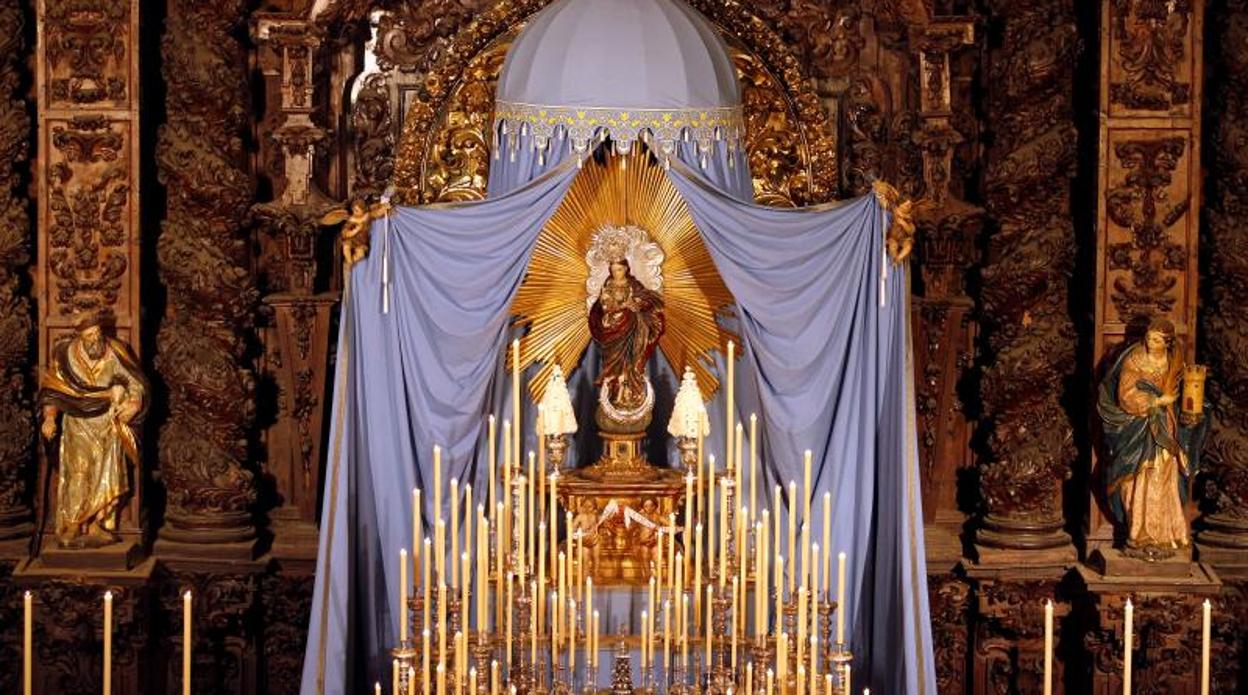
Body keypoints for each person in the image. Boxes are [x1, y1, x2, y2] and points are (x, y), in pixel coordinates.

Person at [38, 309, 148, 548]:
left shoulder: (116, 351)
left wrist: (132, 403)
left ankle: (100, 524)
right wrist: (49, 418)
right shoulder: (65, 355)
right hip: (77, 425)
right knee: (78, 475)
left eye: (97, 333)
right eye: (89, 336)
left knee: (107, 475)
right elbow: (53, 391)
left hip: (108, 424)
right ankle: (72, 526)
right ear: (79, 336)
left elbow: (134, 382)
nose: (95, 339)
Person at [1098, 317, 1206, 559]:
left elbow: (1186, 393)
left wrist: (1190, 412)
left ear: (1167, 343)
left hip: (1165, 429)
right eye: (1148, 337)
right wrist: (1156, 401)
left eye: (1156, 339)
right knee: (1136, 478)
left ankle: (1166, 535)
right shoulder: (1135, 358)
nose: (1150, 342)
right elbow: (1125, 393)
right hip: (1137, 426)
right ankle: (1138, 534)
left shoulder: (1174, 362)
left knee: (1164, 475)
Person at [588, 257, 665, 415]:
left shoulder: (634, 285)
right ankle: (615, 395)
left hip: (632, 330)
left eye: (620, 269)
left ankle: (630, 395)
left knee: (632, 364)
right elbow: (601, 307)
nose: (617, 273)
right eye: (614, 270)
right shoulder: (608, 285)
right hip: (611, 333)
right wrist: (619, 307)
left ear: (626, 269)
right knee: (614, 368)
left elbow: (646, 300)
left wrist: (637, 304)